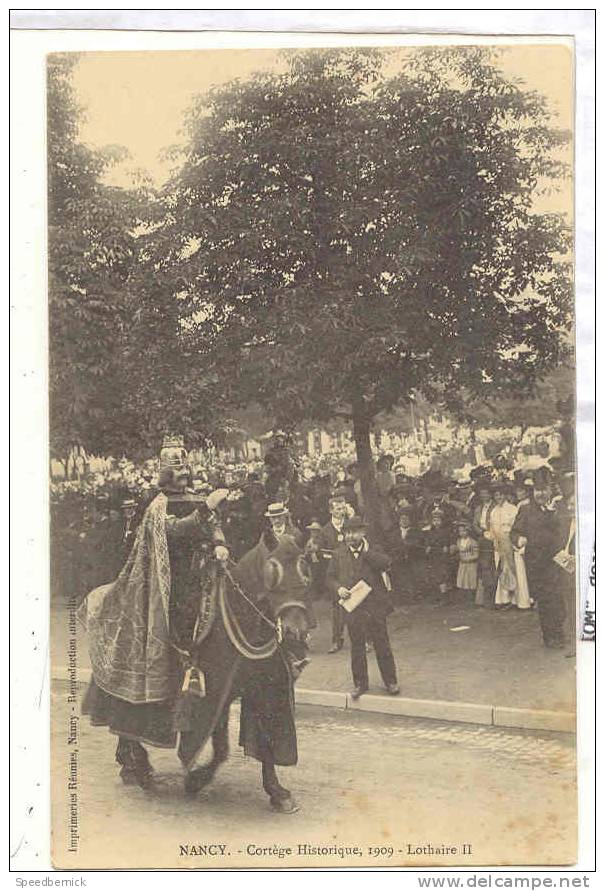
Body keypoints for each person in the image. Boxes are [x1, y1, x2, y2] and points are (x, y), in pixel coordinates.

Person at [79, 448, 230, 788]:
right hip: (167, 590)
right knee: (174, 638)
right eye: (178, 472)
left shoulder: (196, 497)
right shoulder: (157, 506)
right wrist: (205, 510)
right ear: (166, 476)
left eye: (186, 469)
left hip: (201, 580)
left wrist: (220, 543)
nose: (185, 475)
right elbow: (174, 532)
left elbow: (213, 526)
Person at [326, 516, 399, 700]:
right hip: (353, 608)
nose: (350, 536)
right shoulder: (338, 554)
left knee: (382, 644)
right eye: (347, 532)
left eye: (354, 532)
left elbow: (386, 564)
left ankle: (390, 681)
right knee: (357, 647)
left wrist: (366, 553)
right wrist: (339, 588)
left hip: (374, 606)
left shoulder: (373, 549)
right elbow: (329, 578)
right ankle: (360, 684)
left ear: (363, 533)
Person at [510, 483, 565, 648]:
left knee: (559, 600)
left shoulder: (559, 508)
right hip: (538, 563)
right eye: (537, 490)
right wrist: (519, 539)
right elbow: (514, 532)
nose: (540, 493)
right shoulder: (526, 510)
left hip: (559, 560)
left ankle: (558, 631)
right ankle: (551, 637)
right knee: (547, 600)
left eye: (544, 489)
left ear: (550, 490)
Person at [317, 493, 349, 653]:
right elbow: (322, 554)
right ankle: (337, 640)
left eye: (343, 508)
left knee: (358, 606)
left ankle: (365, 639)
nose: (341, 512)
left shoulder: (350, 526)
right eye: (337, 509)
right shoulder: (325, 531)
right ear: (331, 511)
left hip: (351, 571)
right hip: (335, 573)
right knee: (337, 607)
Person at [385, 505, 424, 604]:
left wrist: (409, 546)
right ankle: (400, 598)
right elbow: (390, 547)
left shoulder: (416, 532)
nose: (404, 521)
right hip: (397, 560)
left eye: (407, 519)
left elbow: (418, 545)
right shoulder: (393, 533)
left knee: (412, 578)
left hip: (412, 559)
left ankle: (412, 597)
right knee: (398, 578)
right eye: (402, 519)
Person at [489, 484, 519, 610]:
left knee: (514, 568)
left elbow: (516, 526)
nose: (498, 497)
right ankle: (504, 599)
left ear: (504, 495)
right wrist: (495, 539)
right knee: (501, 568)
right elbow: (492, 528)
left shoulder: (512, 509)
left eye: (500, 495)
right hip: (498, 543)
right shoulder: (494, 511)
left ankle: (516, 599)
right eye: (496, 495)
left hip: (510, 541)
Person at [472, 483, 496, 608]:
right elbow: (475, 524)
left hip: (494, 538)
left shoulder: (495, 507)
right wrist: (481, 532)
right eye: (482, 494)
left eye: (486, 493)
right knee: (484, 566)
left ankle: (495, 597)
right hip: (483, 538)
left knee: (494, 566)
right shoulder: (478, 508)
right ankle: (486, 597)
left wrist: (491, 532)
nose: (483, 496)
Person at [453, 519, 479, 596]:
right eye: (460, 531)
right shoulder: (458, 541)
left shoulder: (473, 542)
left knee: (470, 580)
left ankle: (470, 597)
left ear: (468, 531)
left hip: (471, 565)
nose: (462, 533)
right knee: (463, 580)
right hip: (462, 564)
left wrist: (468, 558)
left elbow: (476, 555)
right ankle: (463, 597)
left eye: (464, 531)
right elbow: (458, 551)